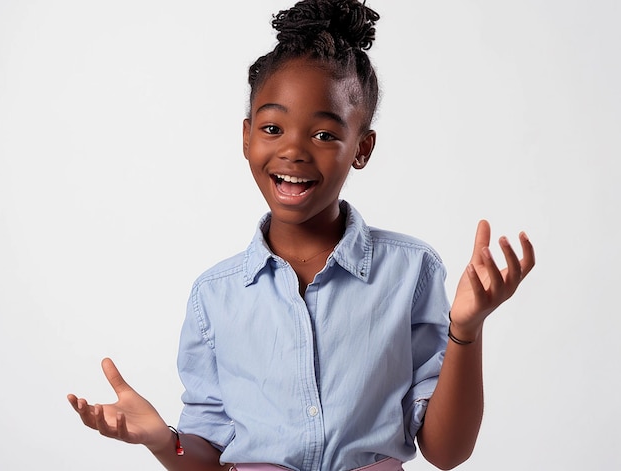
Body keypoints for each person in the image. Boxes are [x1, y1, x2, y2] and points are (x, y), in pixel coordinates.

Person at [67, 1, 535, 470]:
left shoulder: (411, 272)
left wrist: (466, 329)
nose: (293, 150)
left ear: (362, 148)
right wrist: (165, 442)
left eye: (325, 135)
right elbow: (206, 457)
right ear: (247, 137)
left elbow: (447, 452)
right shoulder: (214, 297)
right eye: (273, 128)